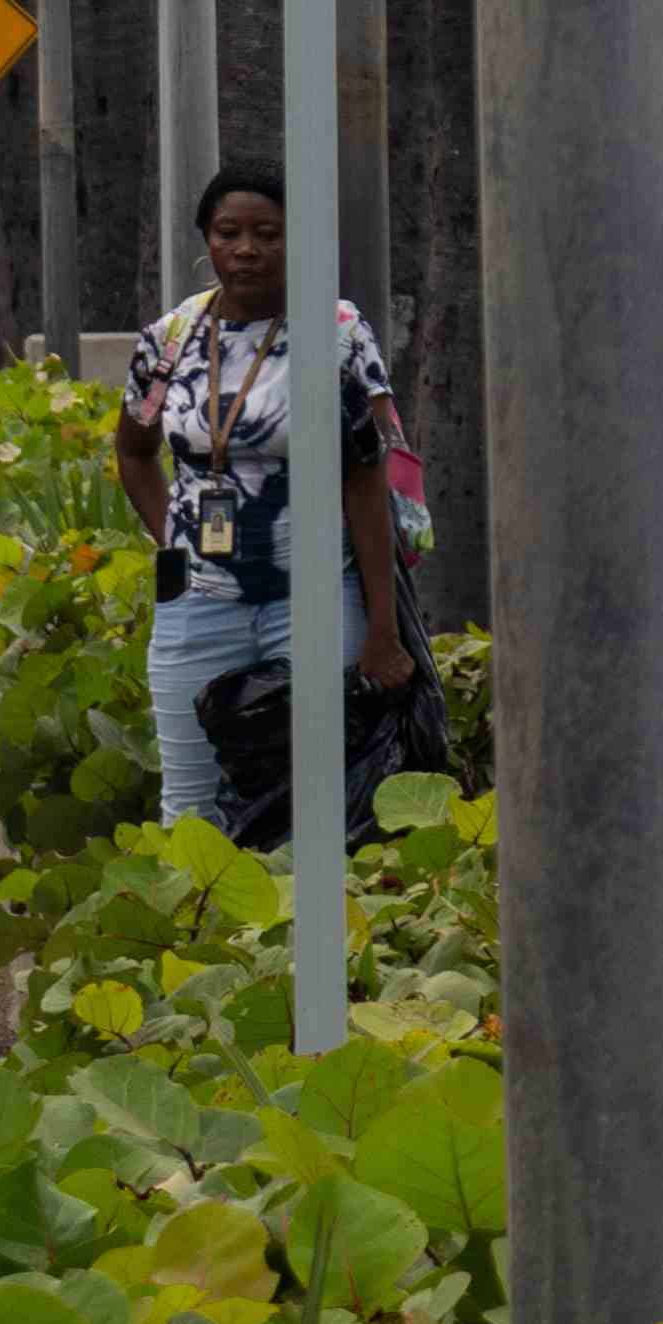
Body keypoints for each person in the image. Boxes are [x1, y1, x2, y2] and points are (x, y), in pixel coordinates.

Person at [113, 163, 412, 826]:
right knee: (190, 811)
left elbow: (369, 481)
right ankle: (207, 931)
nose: (246, 248)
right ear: (207, 241)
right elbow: (134, 453)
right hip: (196, 606)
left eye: (268, 234)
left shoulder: (336, 335)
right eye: (229, 232)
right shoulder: (169, 341)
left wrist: (383, 631)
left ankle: (304, 931)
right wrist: (176, 537)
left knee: (321, 804)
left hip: (314, 600)